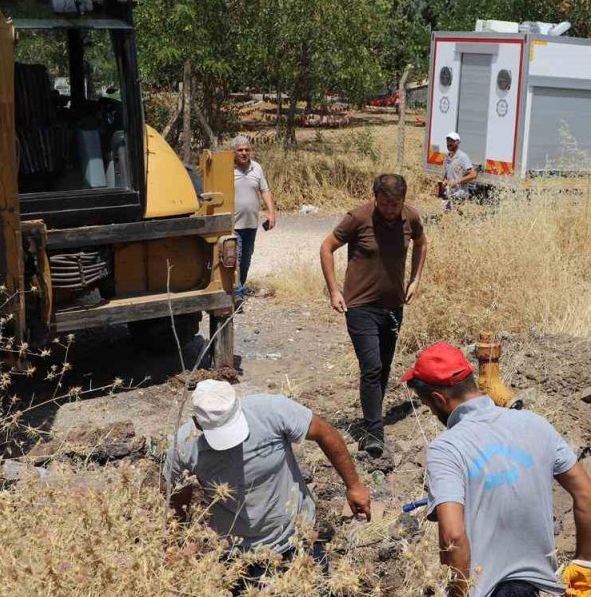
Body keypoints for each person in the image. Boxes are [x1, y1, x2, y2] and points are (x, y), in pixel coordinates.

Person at [404, 343, 591, 597]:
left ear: (438, 398)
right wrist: (583, 565)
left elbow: (453, 535)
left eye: (427, 405)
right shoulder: (536, 424)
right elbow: (587, 494)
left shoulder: (446, 448)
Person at [165, 380, 371, 562]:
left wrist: (354, 485)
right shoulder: (183, 446)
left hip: (298, 536)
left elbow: (324, 432)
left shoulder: (271, 411)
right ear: (198, 424)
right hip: (236, 556)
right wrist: (179, 545)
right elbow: (176, 501)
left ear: (238, 408)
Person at [319, 174, 428, 458]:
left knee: (384, 368)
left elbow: (421, 243)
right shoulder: (358, 217)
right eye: (385, 204)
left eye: (396, 205)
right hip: (360, 306)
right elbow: (326, 247)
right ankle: (374, 433)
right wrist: (334, 290)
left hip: (393, 306)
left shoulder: (410, 217)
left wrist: (415, 279)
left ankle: (372, 417)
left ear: (403, 200)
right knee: (371, 366)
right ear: (375, 198)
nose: (391, 210)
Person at [232, 135, 277, 298]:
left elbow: (265, 190)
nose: (244, 153)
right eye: (240, 150)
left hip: (251, 225)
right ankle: (237, 294)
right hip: (233, 225)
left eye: (246, 150)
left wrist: (271, 212)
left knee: (245, 260)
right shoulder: (227, 169)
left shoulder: (256, 168)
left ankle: (240, 286)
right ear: (234, 152)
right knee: (235, 258)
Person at [439, 132, 478, 202]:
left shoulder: (463, 157)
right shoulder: (447, 157)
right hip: (449, 195)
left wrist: (457, 181)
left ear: (457, 142)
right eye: (448, 140)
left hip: (460, 196)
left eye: (452, 141)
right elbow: (446, 176)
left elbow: (473, 175)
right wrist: (444, 183)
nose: (449, 143)